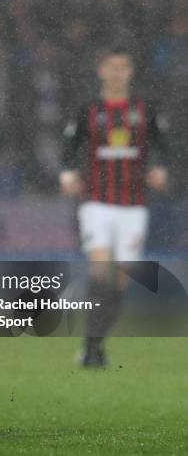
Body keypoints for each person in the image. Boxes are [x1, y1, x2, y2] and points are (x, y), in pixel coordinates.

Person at [59, 46, 168, 367]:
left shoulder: (145, 109)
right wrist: (67, 175)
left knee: (121, 280)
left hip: (134, 205)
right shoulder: (89, 109)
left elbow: (164, 146)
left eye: (123, 67)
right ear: (101, 70)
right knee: (100, 271)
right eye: (112, 66)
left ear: (130, 72)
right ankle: (92, 352)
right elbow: (69, 145)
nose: (118, 72)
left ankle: (94, 344)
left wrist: (161, 168)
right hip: (96, 202)